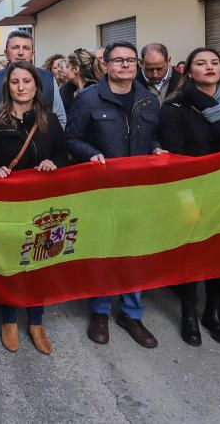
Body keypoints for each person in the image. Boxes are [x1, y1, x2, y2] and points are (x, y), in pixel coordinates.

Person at [157, 48, 220, 347]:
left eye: (214, 63)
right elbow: (175, 154)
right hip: (191, 192)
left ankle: (213, 313)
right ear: (189, 72)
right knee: (193, 251)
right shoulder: (175, 107)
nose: (210, 68)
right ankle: (189, 311)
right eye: (201, 63)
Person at [66, 41, 167, 348]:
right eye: (118, 60)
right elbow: (71, 138)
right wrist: (92, 153)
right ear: (106, 65)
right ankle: (99, 311)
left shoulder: (148, 100)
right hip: (102, 189)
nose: (125, 65)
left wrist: (156, 148)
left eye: (130, 61)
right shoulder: (87, 99)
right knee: (104, 249)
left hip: (138, 190)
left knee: (134, 251)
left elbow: (154, 135)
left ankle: (131, 313)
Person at [0, 62, 68, 354]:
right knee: (9, 260)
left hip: (43, 204)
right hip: (6, 205)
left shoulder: (50, 120)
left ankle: (35, 320)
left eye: (27, 81)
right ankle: (8, 318)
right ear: (8, 87)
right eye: (15, 81)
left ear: (36, 86)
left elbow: (63, 153)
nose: (21, 87)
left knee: (39, 259)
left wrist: (54, 162)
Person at [0, 31, 66, 127]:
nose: (21, 53)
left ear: (32, 53)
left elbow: (60, 118)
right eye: (15, 48)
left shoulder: (48, 79)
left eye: (26, 48)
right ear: (6, 53)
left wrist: (48, 140)